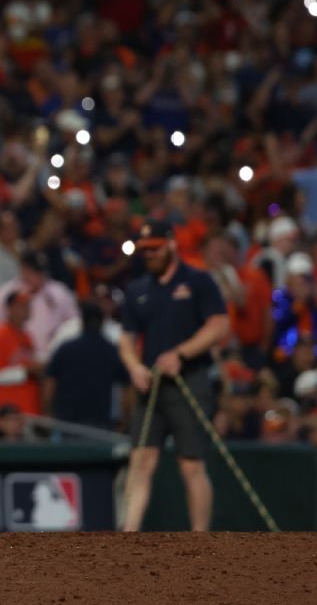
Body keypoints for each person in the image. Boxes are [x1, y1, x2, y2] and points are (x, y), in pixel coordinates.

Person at [120, 220, 231, 532]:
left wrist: (181, 353)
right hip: (150, 383)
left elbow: (219, 325)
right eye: (145, 250)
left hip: (189, 380)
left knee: (191, 464)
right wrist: (134, 366)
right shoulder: (137, 288)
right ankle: (129, 532)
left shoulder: (198, 281)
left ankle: (199, 537)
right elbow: (126, 339)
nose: (149, 255)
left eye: (155, 248)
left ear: (170, 244)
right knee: (140, 460)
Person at [44, 302, 128, 431]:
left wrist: (48, 412)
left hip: (66, 422)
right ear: (102, 322)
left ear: (82, 322)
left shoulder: (66, 349)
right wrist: (125, 419)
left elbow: (50, 383)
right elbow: (127, 389)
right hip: (101, 422)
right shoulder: (112, 351)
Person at [0, 289, 44, 419]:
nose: (26, 308)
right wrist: (25, 371)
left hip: (27, 412)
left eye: (28, 305)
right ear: (9, 308)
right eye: (21, 305)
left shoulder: (27, 336)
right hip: (5, 418)